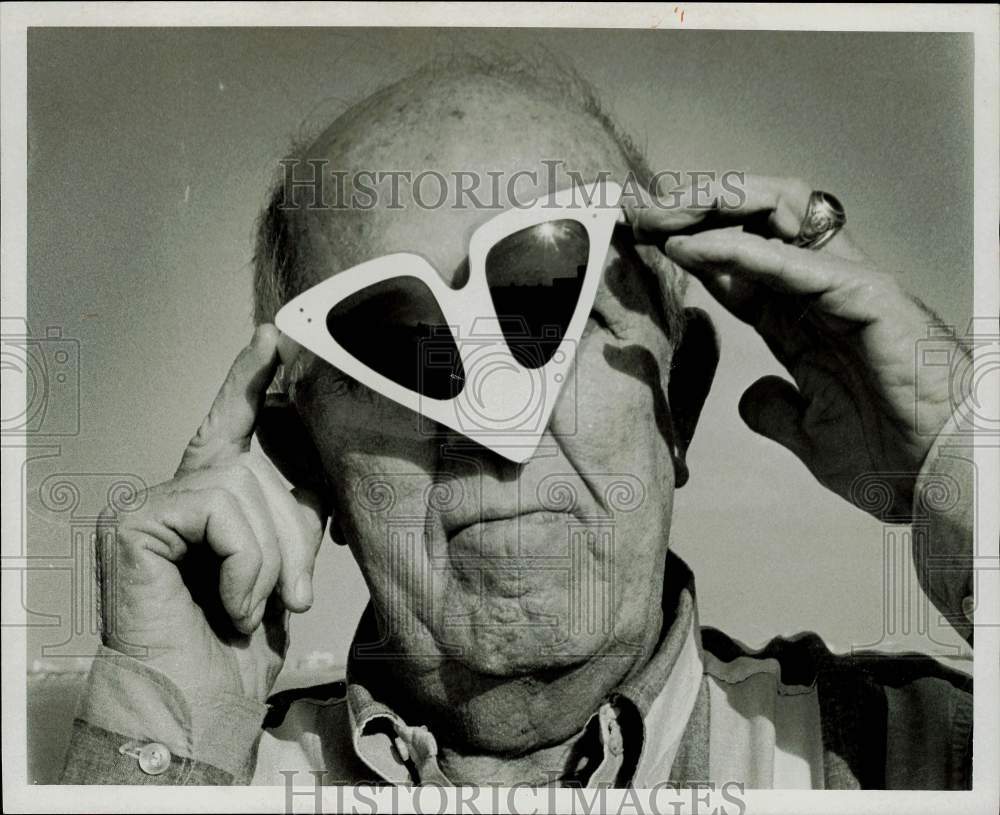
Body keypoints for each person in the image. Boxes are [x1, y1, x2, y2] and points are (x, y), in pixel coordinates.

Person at [61, 56, 973, 789]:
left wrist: (963, 458)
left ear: (678, 400)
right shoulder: (219, 780)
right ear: (307, 457)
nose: (497, 420)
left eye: (552, 308)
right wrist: (167, 738)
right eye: (396, 338)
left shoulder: (919, 758)